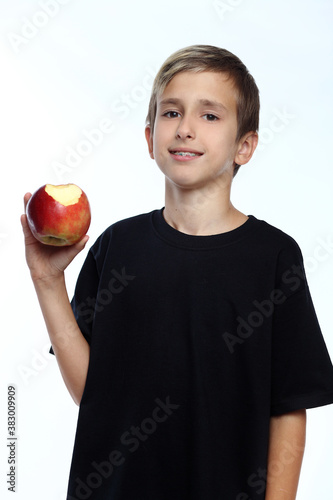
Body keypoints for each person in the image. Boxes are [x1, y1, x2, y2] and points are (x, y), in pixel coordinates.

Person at [21, 45, 333, 500]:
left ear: (244, 145)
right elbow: (93, 395)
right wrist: (48, 282)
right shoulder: (115, 247)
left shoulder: (274, 257)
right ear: (149, 138)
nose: (185, 128)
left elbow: (288, 408)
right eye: (171, 112)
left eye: (209, 116)